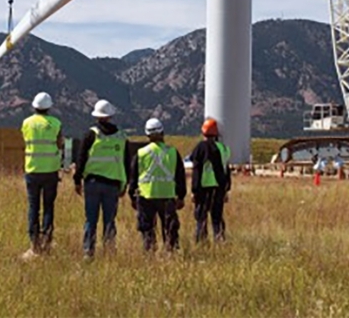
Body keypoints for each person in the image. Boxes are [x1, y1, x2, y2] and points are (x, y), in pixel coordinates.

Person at [73, 99, 132, 259]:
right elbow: (127, 162)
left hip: (92, 183)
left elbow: (81, 159)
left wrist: (77, 180)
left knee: (90, 219)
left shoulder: (91, 134)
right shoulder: (121, 137)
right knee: (109, 220)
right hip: (113, 185)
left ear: (97, 116)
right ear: (111, 116)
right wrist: (125, 184)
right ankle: (109, 252)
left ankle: (88, 252)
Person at [132, 117, 187, 252]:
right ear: (162, 133)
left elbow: (133, 177)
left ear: (147, 134)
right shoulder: (173, 152)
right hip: (167, 196)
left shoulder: (140, 153)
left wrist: (132, 196)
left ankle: (149, 253)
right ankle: (171, 252)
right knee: (170, 229)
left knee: (147, 229)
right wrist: (181, 196)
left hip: (146, 196)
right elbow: (180, 176)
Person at [20, 91, 64, 260]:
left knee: (33, 207)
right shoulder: (56, 123)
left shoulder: (27, 123)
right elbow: (60, 143)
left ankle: (34, 244)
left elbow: (25, 140)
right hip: (51, 170)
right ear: (49, 107)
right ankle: (47, 241)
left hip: (32, 169)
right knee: (48, 207)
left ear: (34, 106)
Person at [189, 117, 231, 244]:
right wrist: (226, 189)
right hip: (219, 188)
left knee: (201, 217)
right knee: (217, 217)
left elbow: (197, 170)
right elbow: (226, 170)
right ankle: (220, 240)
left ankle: (201, 242)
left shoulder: (201, 147)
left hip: (204, 187)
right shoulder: (224, 148)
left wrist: (194, 190)